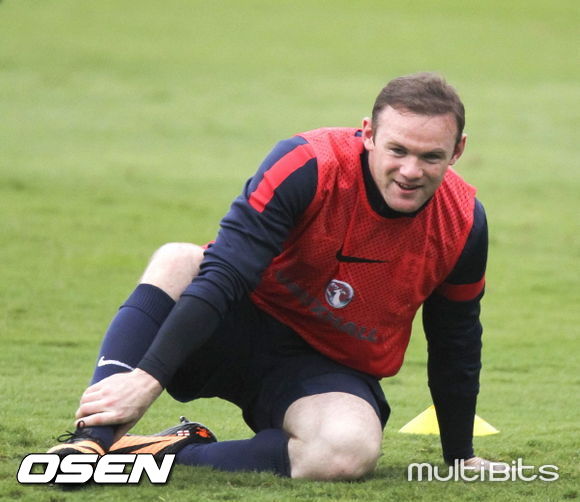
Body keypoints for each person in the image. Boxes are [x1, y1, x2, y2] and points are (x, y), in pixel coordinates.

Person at [48, 72, 498, 480]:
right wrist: (148, 379)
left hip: (326, 367)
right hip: (235, 324)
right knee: (179, 260)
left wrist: (460, 454)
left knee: (346, 453)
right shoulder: (309, 163)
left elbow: (455, 339)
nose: (411, 171)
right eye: (397, 150)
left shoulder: (462, 223)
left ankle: (160, 454)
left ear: (457, 150)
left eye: (431, 156)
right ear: (368, 134)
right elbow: (227, 271)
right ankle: (92, 442)